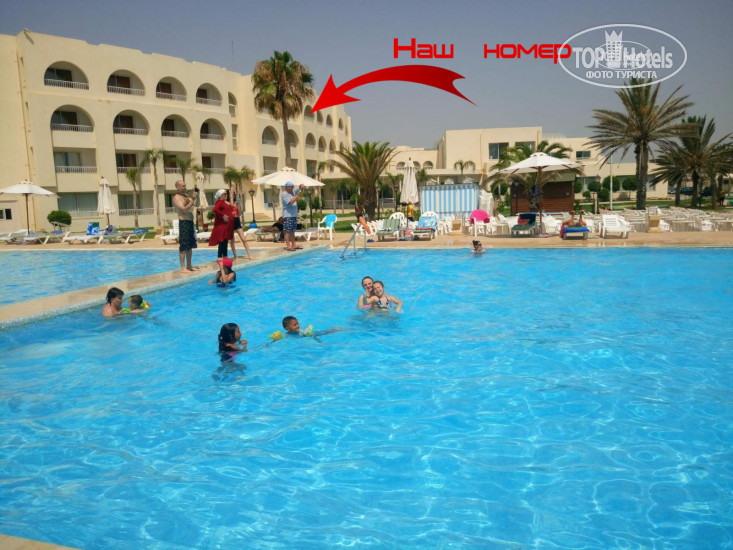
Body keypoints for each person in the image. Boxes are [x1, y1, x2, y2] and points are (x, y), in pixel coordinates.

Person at [173, 179, 198, 273]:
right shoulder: (176, 197)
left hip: (190, 222)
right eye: (183, 186)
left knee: (190, 245)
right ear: (178, 187)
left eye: (185, 185)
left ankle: (189, 266)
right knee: (183, 245)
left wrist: (194, 198)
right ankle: (182, 267)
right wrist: (193, 200)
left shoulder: (186, 196)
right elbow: (183, 209)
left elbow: (192, 205)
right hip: (183, 222)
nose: (185, 187)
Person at [269, 316, 338, 343]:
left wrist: (318, 340)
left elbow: (312, 336)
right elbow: (278, 339)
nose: (298, 326)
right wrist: (270, 343)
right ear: (287, 328)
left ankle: (333, 329)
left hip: (308, 335)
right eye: (295, 325)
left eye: (297, 323)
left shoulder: (301, 331)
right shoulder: (286, 335)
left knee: (321, 333)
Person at [228, 190, 254, 261]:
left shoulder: (236, 202)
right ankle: (235, 256)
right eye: (231, 194)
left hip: (237, 220)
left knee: (244, 239)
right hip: (230, 221)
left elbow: (239, 212)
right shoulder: (227, 202)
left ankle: (249, 254)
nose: (233, 195)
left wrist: (239, 206)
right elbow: (231, 205)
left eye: (233, 193)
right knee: (232, 240)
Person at [208, 189, 234, 258]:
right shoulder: (219, 202)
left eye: (226, 194)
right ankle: (220, 257)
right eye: (225, 194)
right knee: (222, 242)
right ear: (220, 195)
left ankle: (224, 257)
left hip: (225, 226)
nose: (226, 195)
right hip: (222, 226)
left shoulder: (223, 202)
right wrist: (223, 215)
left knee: (224, 241)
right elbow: (215, 209)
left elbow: (231, 206)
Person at [281, 181, 306, 251]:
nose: (292, 187)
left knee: (292, 231)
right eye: (291, 186)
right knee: (287, 231)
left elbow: (299, 187)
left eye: (293, 186)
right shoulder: (284, 194)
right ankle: (288, 246)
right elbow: (290, 202)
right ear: (287, 187)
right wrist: (298, 195)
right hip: (288, 215)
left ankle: (294, 245)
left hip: (293, 215)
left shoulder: (293, 191)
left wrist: (301, 186)